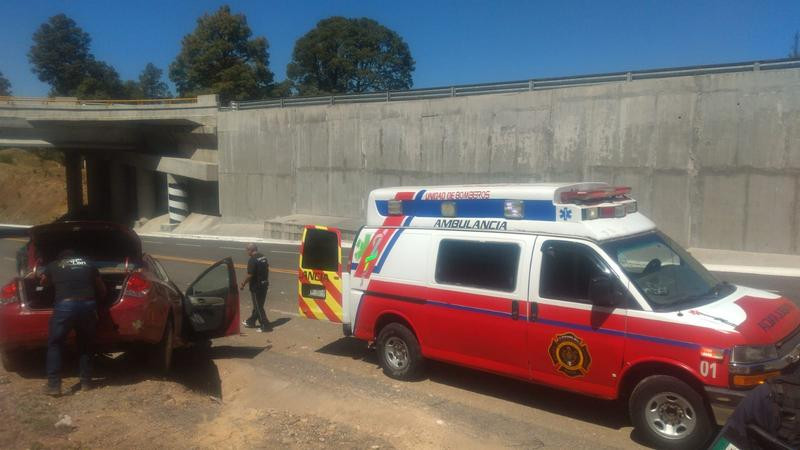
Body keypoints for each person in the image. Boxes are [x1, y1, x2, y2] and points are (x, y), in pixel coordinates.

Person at [40, 249, 106, 396]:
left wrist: (53, 281)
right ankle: (86, 383)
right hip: (88, 305)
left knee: (55, 344)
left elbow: (43, 282)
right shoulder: (89, 264)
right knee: (85, 343)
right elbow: (101, 287)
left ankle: (54, 386)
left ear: (61, 258)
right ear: (77, 257)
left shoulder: (54, 265)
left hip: (65, 306)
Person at [239, 243, 270, 332]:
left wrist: (243, 284)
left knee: (258, 307)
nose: (246, 252)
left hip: (256, 287)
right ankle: (251, 322)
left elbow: (250, 275)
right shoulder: (263, 257)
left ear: (250, 250)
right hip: (264, 284)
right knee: (258, 305)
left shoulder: (252, 260)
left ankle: (265, 326)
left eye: (247, 250)